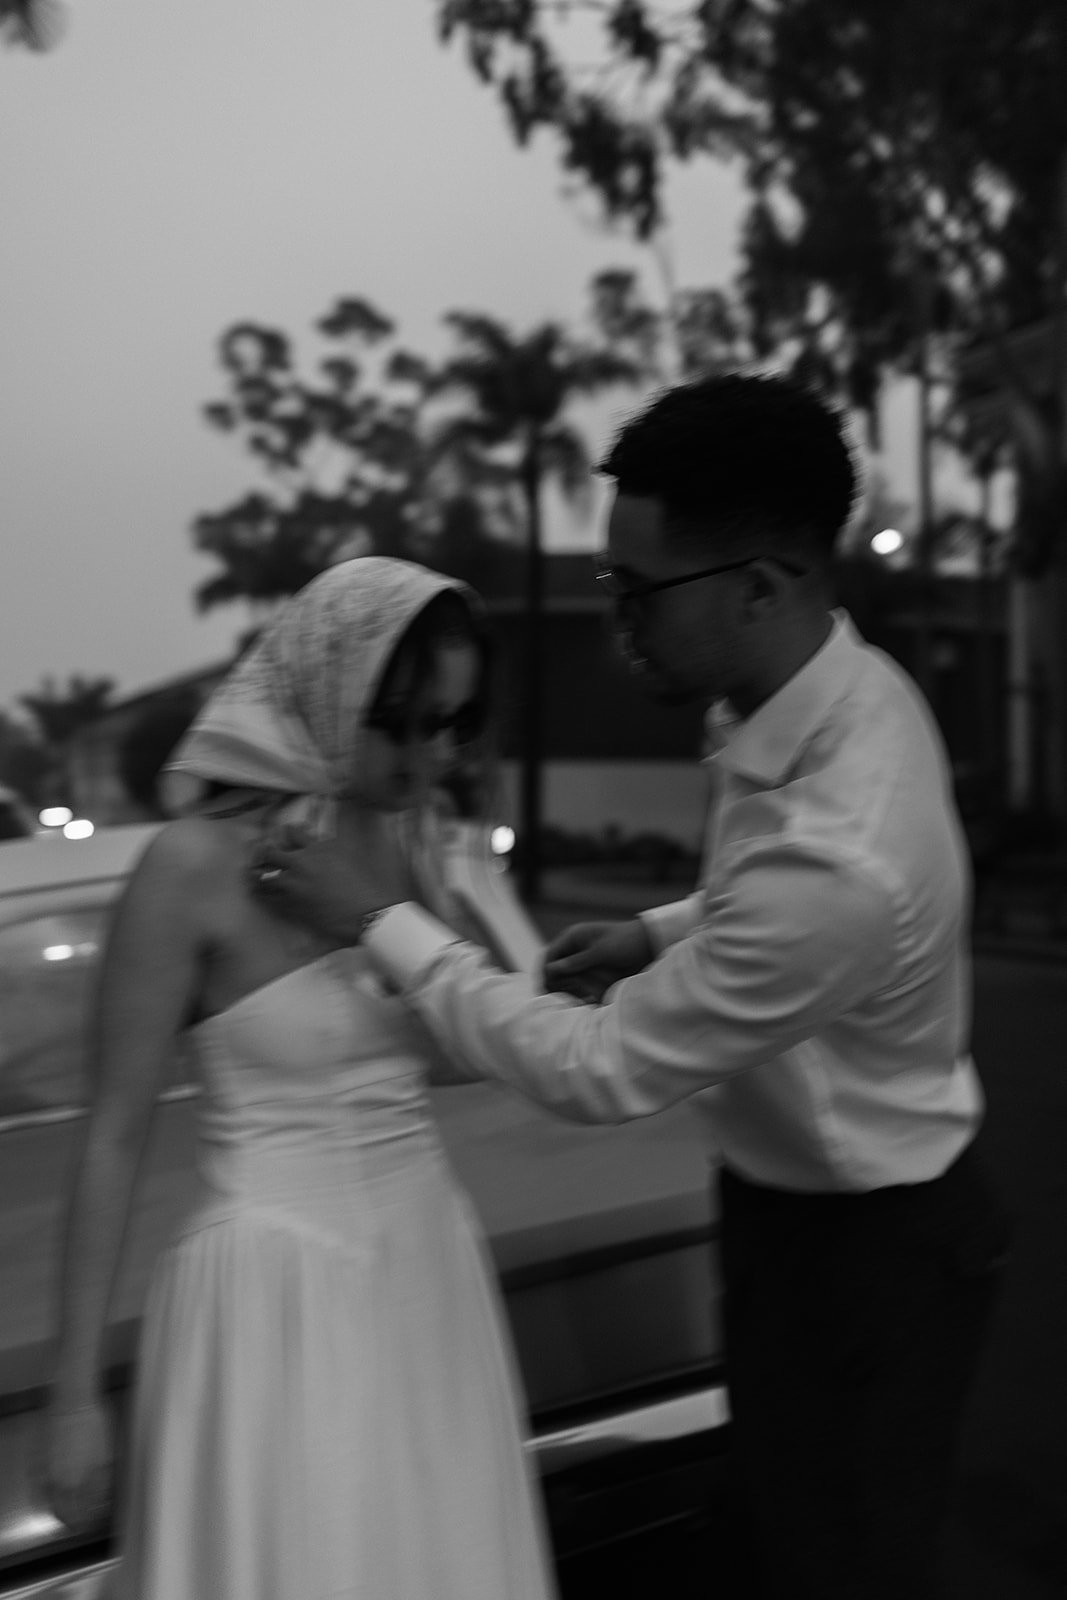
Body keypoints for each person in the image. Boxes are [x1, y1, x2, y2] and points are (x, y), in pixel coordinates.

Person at [253, 374, 1013, 1600]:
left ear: (761, 588)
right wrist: (658, 932)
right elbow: (764, 894)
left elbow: (595, 1069)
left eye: (635, 590)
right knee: (771, 1523)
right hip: (794, 1204)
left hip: (870, 1247)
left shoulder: (843, 845)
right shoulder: (828, 693)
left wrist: (375, 919)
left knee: (844, 1559)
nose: (617, 619)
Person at [42, 556, 557, 1600]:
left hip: (423, 1265)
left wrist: (439, 913)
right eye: (403, 721)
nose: (428, 755)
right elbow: (112, 1134)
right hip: (270, 1295)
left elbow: (467, 1054)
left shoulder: (406, 844)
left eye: (451, 724)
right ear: (331, 686)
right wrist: (72, 1392)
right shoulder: (188, 866)